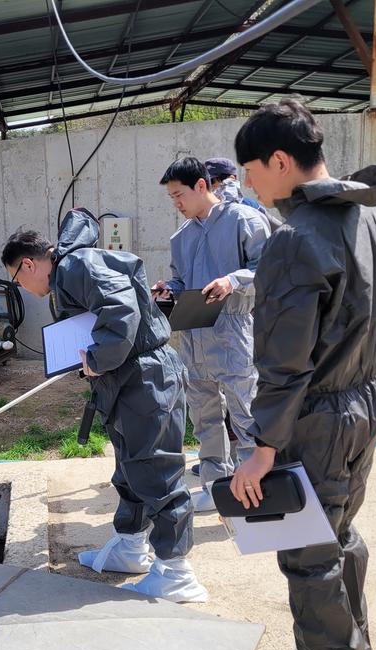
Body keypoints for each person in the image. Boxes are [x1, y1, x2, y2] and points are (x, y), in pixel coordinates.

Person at [228, 99, 376, 650]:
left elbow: (284, 360)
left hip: (316, 419)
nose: (250, 185)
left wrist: (263, 449)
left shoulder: (295, 240)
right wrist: (366, 392)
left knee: (309, 555)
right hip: (364, 404)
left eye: (252, 171)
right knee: (341, 536)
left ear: (280, 161)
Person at [2, 209, 208, 603]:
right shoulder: (71, 270)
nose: (23, 288)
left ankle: (177, 573)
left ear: (28, 264)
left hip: (145, 378)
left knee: (157, 472)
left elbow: (121, 310)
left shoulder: (78, 265)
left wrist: (97, 359)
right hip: (126, 381)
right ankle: (130, 546)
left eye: (17, 280)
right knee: (131, 468)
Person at [154, 157, 270, 512]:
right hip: (194, 332)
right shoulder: (182, 237)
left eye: (179, 195)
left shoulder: (244, 220)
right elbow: (181, 279)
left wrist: (232, 280)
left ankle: (255, 491)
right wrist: (169, 288)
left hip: (233, 329)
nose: (176, 203)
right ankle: (215, 486)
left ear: (201, 185)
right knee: (204, 417)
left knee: (245, 412)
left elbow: (269, 268)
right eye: (171, 197)